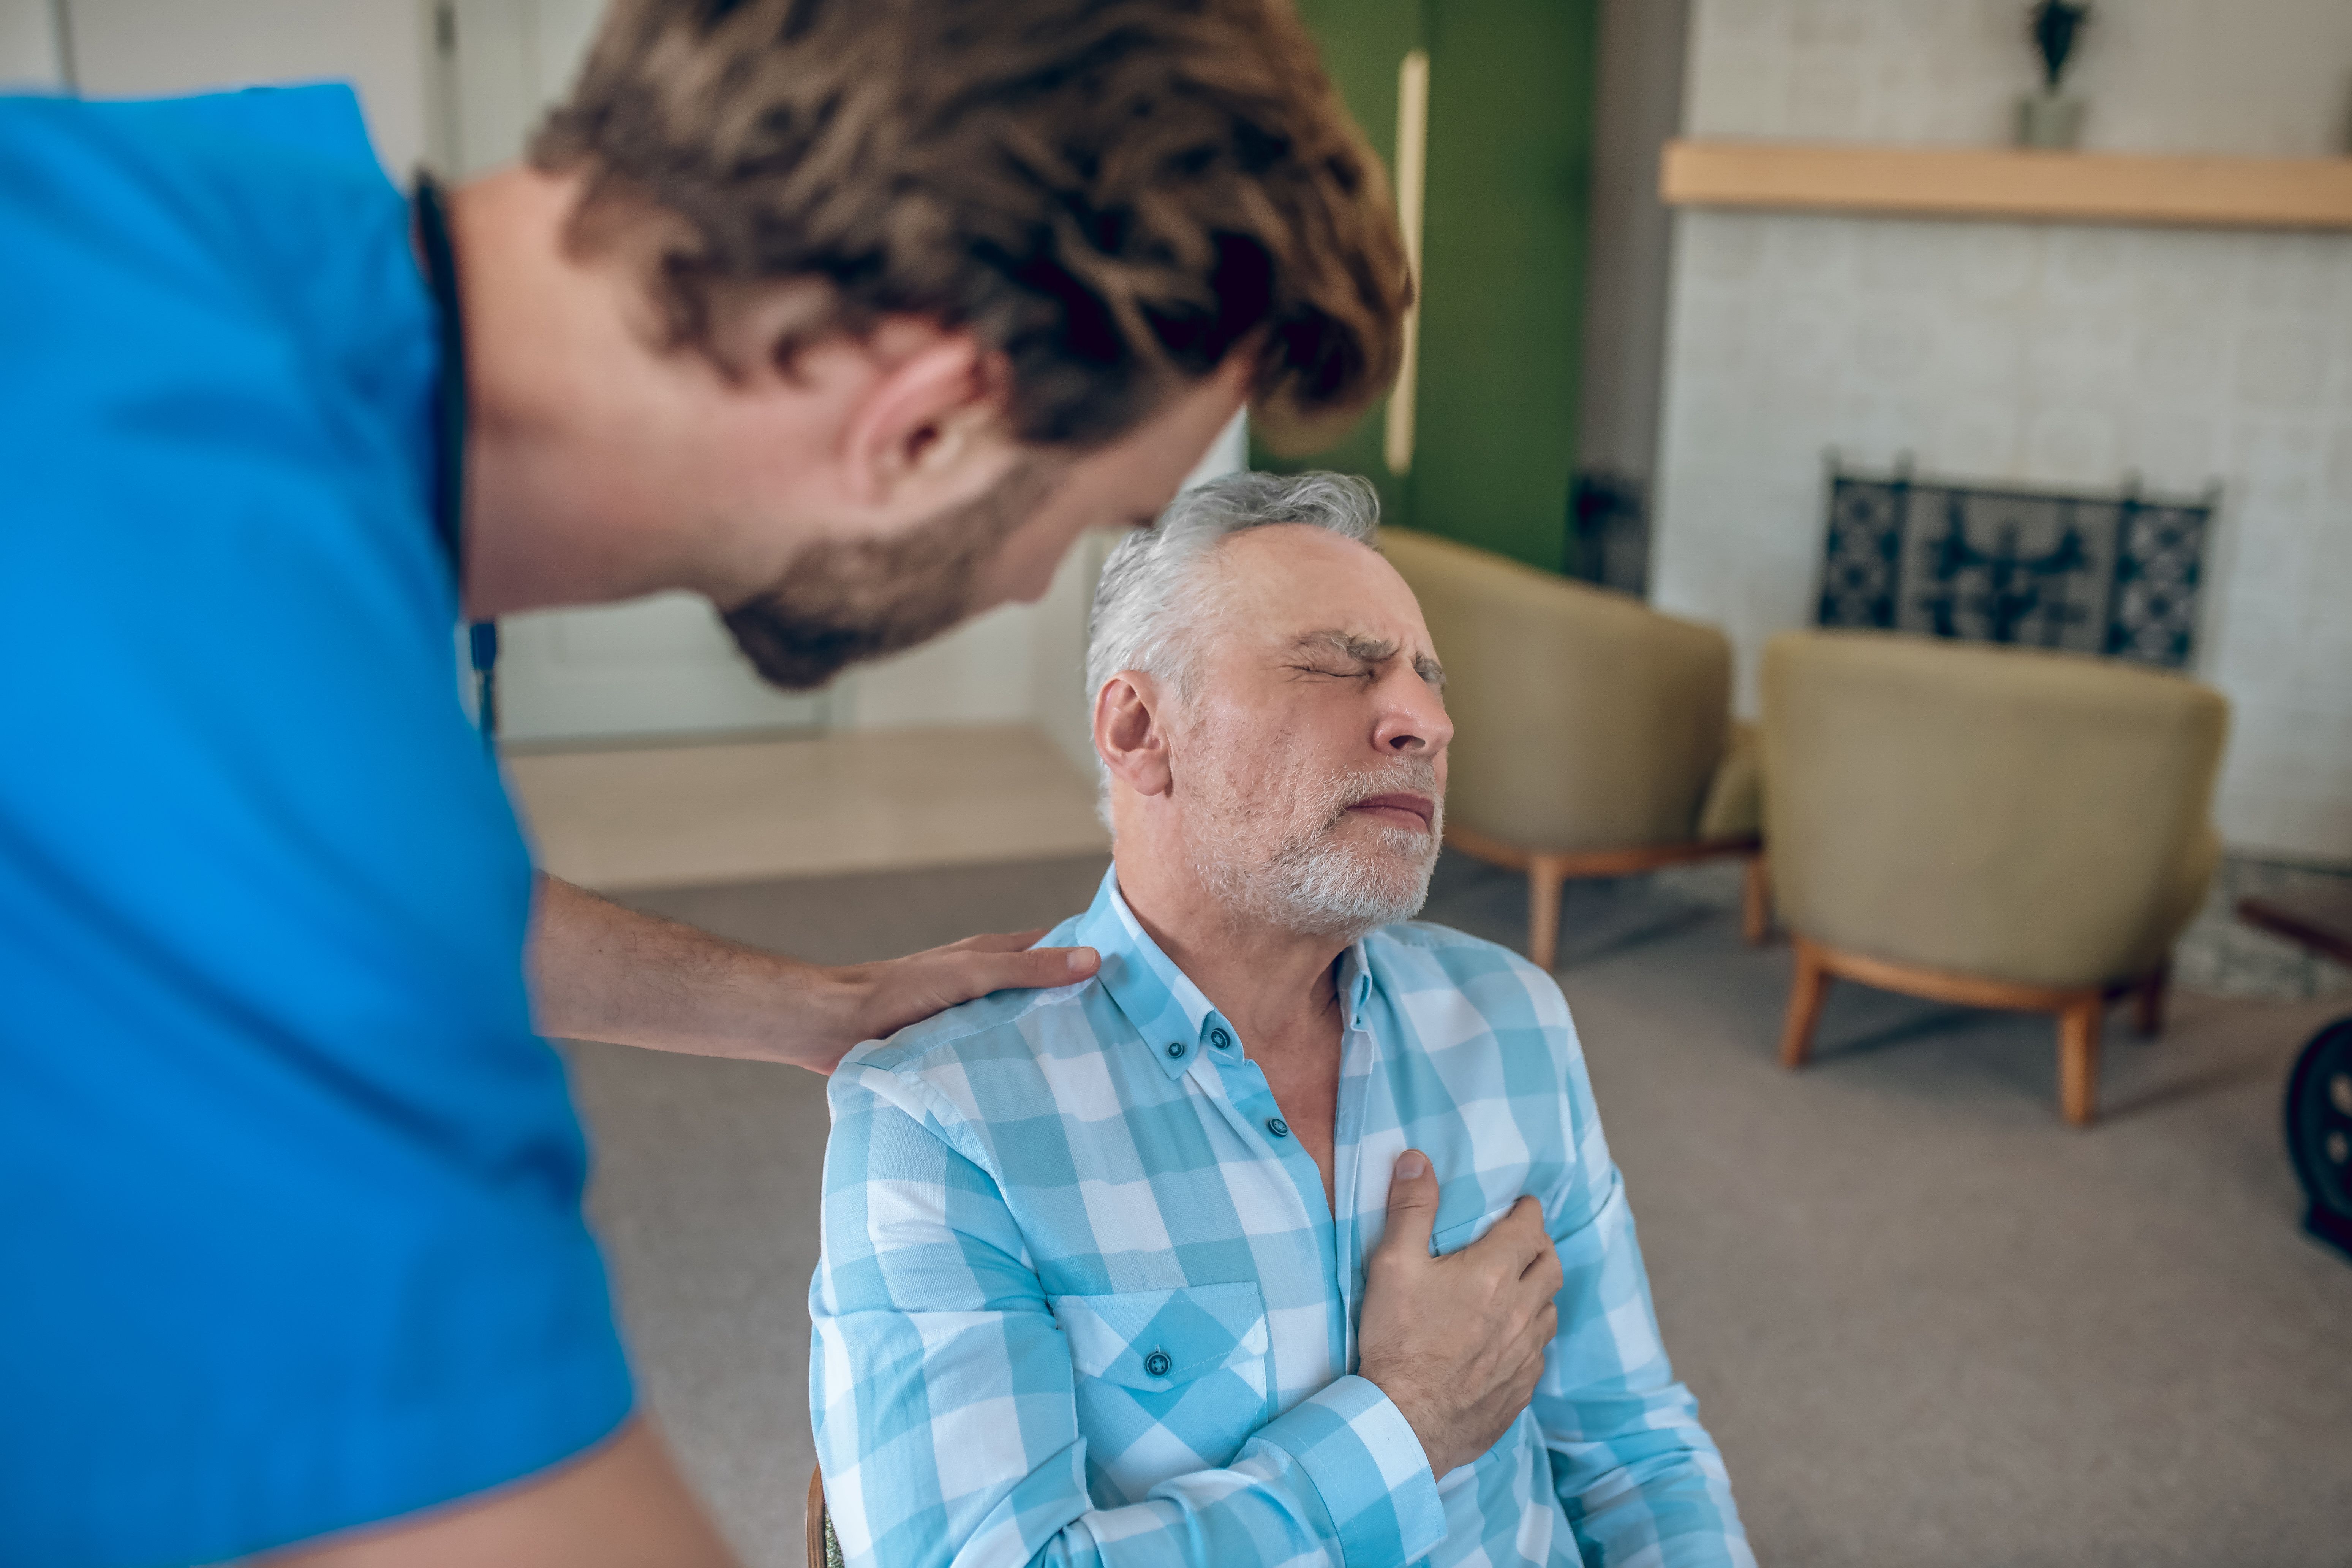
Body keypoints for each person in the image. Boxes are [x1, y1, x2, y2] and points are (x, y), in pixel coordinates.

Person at [0, 1, 1410, 1562]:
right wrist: (1395, 1426)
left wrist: (798, 1007)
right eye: (1086, 525)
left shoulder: (210, 238)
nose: (1027, 596)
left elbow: (336, 905)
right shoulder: (209, 634)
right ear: (927, 425)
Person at [810, 472, 1753, 1566]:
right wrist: (1408, 1422)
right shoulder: (944, 1118)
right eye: (1338, 667)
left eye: (1427, 681)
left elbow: (1634, 1449)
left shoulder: (1514, 1021)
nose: (1428, 722)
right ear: (1140, 728)